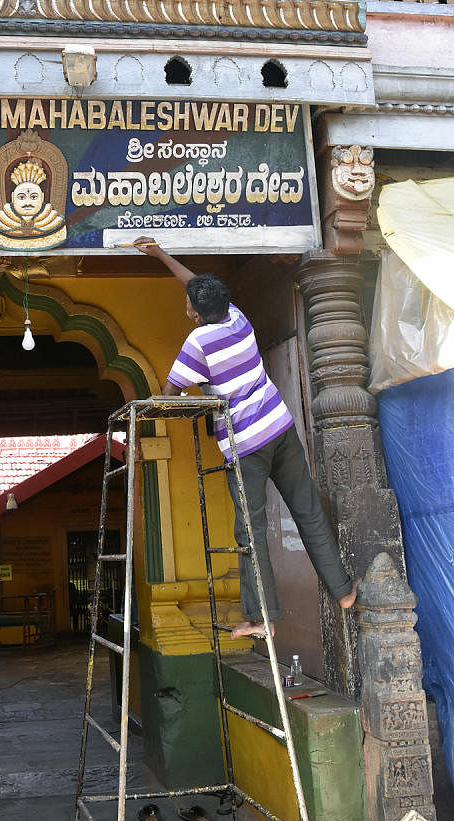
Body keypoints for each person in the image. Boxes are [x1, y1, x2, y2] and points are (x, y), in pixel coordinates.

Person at [134, 238, 358, 638]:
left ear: (195, 313)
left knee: (250, 531)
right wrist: (162, 255)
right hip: (280, 426)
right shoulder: (237, 316)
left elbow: (169, 394)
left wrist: (183, 395)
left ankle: (262, 618)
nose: (186, 305)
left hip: (246, 446)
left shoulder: (197, 342)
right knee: (307, 508)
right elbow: (199, 286)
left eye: (189, 304)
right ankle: (343, 592)